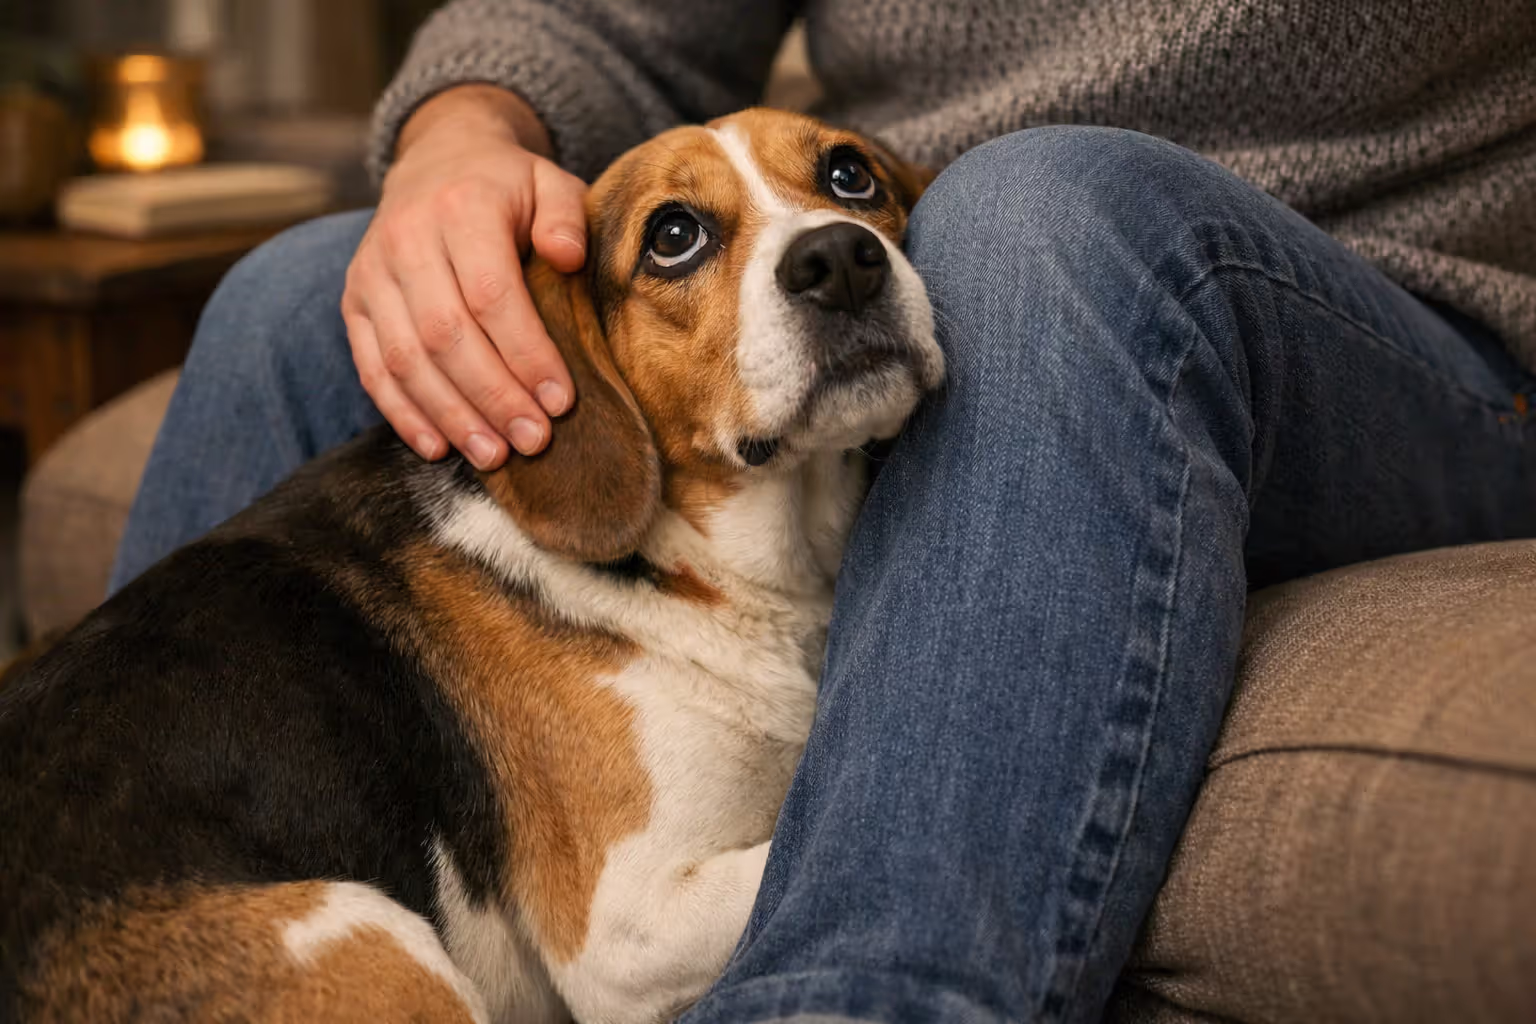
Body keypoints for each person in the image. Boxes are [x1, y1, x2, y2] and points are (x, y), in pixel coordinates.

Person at [108, 2, 1536, 1021]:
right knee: (315, 284)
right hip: (950, 252)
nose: (820, 237)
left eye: (835, 188)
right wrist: (454, 143)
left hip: (1387, 322)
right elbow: (612, 23)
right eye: (682, 240)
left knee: (1038, 208)